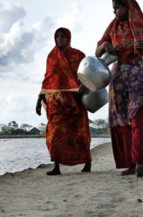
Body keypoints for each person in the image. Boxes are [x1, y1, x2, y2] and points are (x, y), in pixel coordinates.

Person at [95, 0, 143, 177]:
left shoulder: (139, 25)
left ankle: (139, 161)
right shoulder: (112, 27)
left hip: (137, 73)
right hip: (118, 77)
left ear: (127, 7)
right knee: (121, 121)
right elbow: (97, 50)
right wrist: (106, 45)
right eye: (113, 9)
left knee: (136, 118)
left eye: (117, 8)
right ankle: (130, 164)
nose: (115, 12)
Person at [36, 27, 92, 175]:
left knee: (80, 132)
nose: (60, 39)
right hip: (55, 102)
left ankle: (88, 163)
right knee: (55, 134)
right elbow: (47, 79)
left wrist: (83, 86)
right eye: (57, 36)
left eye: (63, 36)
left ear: (68, 38)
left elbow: (86, 74)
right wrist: (39, 100)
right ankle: (56, 167)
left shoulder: (78, 56)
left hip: (75, 101)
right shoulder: (51, 57)